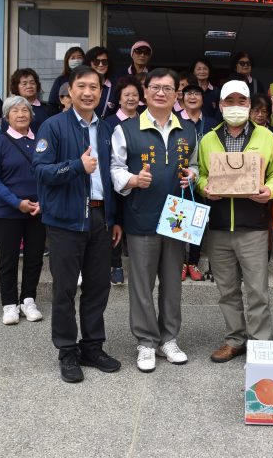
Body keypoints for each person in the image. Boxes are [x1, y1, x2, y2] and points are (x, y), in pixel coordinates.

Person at [33, 65, 122, 383]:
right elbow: (41, 171)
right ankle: (67, 351)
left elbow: (113, 175)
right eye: (81, 86)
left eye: (94, 87)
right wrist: (76, 166)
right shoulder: (52, 126)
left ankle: (92, 347)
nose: (88, 92)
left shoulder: (108, 128)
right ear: (69, 90)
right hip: (65, 220)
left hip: (100, 217)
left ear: (101, 92)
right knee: (65, 289)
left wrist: (113, 218)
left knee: (98, 287)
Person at [110, 68, 198, 373]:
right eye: (155, 87)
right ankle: (146, 342)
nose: (161, 93)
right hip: (141, 215)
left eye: (168, 88)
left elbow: (196, 165)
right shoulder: (126, 129)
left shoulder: (188, 129)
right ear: (145, 92)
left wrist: (192, 176)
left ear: (177, 95)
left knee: (173, 283)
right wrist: (133, 180)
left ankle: (168, 339)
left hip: (177, 217)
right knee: (142, 285)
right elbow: (115, 167)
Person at [197, 80, 273, 362]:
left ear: (249, 105)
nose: (236, 106)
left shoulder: (266, 136)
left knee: (257, 290)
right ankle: (235, 339)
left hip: (253, 225)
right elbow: (202, 175)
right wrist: (204, 187)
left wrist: (270, 191)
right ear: (220, 105)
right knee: (227, 290)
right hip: (219, 226)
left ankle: (259, 343)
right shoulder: (208, 138)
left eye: (241, 101)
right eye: (229, 101)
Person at [0, 96, 45, 325]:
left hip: (37, 211)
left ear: (31, 114)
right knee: (7, 259)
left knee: (34, 258)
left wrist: (43, 203)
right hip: (7, 212)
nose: (21, 114)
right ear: (6, 117)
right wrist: (16, 202)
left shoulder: (41, 142)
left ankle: (28, 300)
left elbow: (48, 174)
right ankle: (9, 304)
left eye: (25, 110)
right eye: (15, 110)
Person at [105, 76, 145, 286]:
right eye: (126, 95)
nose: (131, 98)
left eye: (135, 95)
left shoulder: (145, 120)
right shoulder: (108, 122)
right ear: (119, 99)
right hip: (115, 181)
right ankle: (116, 265)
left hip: (141, 182)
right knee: (115, 221)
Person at [178, 82, 218, 281]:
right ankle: (179, 264)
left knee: (198, 221)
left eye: (196, 94)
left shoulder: (212, 122)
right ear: (181, 98)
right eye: (188, 94)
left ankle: (192, 262)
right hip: (180, 178)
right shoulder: (174, 120)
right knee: (177, 220)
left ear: (203, 99)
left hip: (205, 178)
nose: (192, 97)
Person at [1, 68, 52, 134]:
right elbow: (4, 136)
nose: (29, 86)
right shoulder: (11, 109)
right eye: (24, 84)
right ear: (16, 86)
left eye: (32, 83)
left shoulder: (48, 109)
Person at [48, 46, 85, 114]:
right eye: (73, 58)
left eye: (79, 57)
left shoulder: (89, 79)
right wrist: (61, 114)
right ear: (67, 61)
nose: (76, 60)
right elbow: (52, 104)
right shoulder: (60, 80)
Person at [85, 46, 116, 118]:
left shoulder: (115, 87)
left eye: (104, 62)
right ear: (89, 64)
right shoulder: (82, 86)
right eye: (96, 62)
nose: (101, 64)